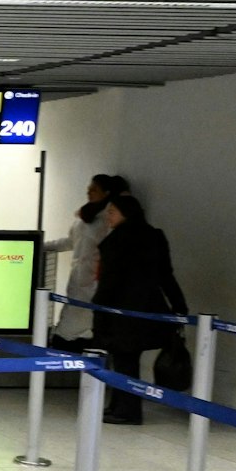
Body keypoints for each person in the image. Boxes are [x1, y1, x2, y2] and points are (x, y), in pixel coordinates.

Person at [91, 192, 187, 424]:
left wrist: (98, 306)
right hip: (148, 308)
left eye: (112, 212)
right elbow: (166, 275)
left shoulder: (117, 241)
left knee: (124, 359)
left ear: (126, 213)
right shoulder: (154, 236)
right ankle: (119, 406)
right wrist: (179, 306)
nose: (108, 218)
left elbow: (110, 280)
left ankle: (127, 410)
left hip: (121, 310)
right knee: (126, 359)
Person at [46, 174, 119, 351]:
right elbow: (71, 242)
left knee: (74, 330)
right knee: (72, 327)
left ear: (106, 192)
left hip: (94, 282)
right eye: (89, 188)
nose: (89, 192)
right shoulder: (83, 217)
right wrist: (40, 245)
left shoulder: (107, 220)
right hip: (78, 281)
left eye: (94, 189)